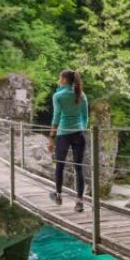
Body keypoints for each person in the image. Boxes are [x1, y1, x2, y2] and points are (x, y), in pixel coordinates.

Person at [48, 69, 89, 212]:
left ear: (64, 80)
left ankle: (58, 196)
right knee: (79, 168)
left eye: (60, 77)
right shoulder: (81, 94)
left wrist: (51, 137)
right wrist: (81, 128)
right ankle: (79, 202)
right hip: (79, 134)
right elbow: (85, 116)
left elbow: (56, 116)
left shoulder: (58, 96)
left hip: (63, 134)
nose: (59, 80)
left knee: (60, 166)